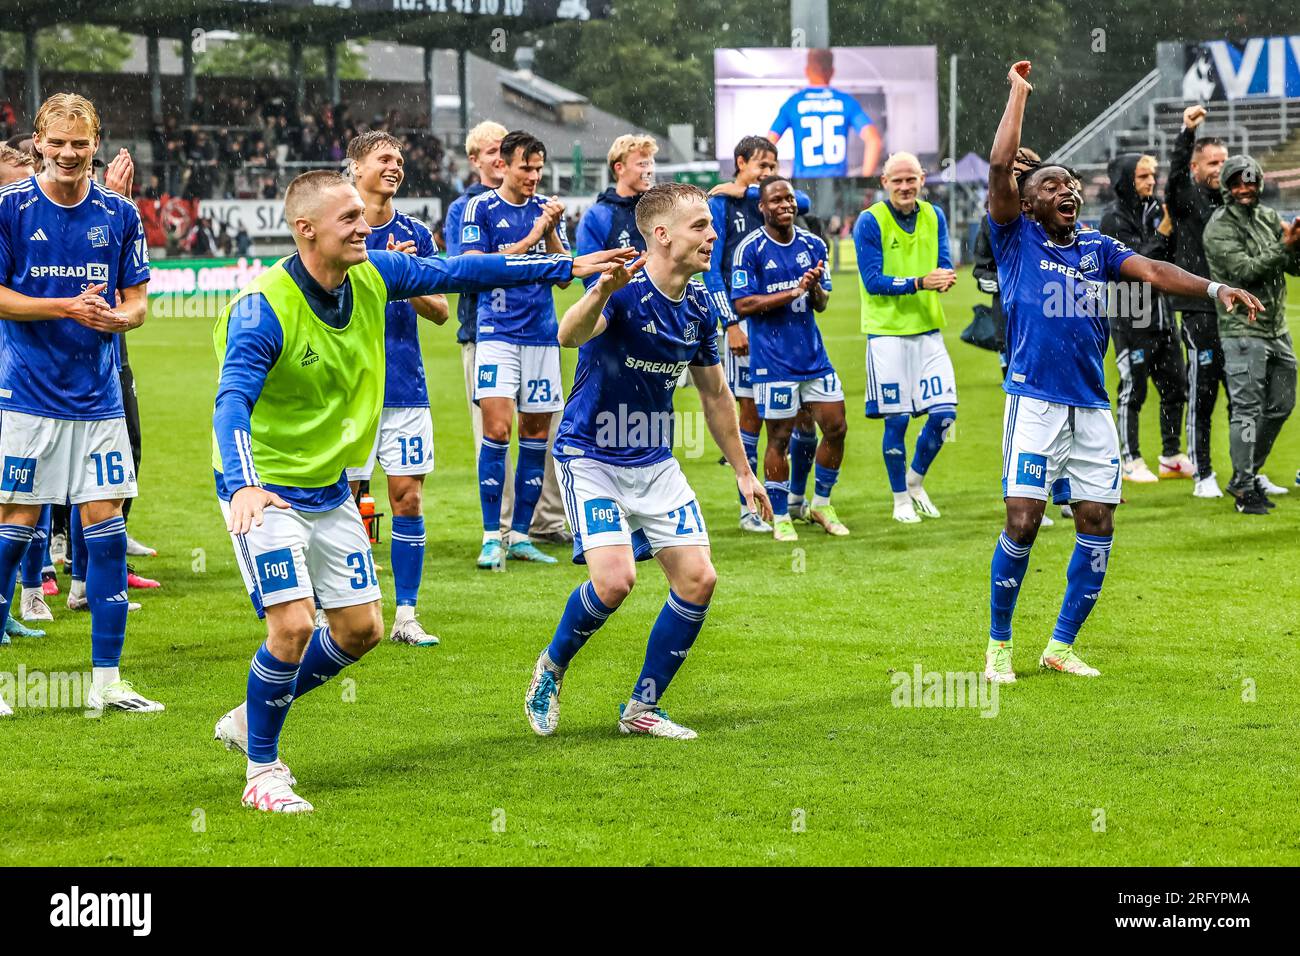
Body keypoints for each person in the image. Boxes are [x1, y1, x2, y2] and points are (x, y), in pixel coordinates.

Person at [210, 169, 632, 812]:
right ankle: (262, 772)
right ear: (305, 230)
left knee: (359, 630)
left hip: (326, 484)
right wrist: (243, 485)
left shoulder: (374, 274)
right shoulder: (262, 308)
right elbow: (231, 399)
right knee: (292, 625)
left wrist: (564, 267)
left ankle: (250, 716)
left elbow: (462, 271)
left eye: (363, 215)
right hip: (263, 487)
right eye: (349, 218)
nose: (364, 226)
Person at [983, 61, 1259, 683]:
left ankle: (1059, 645)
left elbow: (1157, 274)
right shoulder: (1014, 239)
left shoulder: (1097, 249)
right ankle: (998, 643)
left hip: (1091, 407)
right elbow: (1001, 166)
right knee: (1023, 521)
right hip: (1034, 402)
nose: (1067, 192)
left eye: (1072, 185)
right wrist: (1018, 94)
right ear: (1026, 204)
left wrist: (1216, 288)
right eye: (1052, 186)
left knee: (1097, 521)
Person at [524, 182, 771, 740]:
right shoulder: (624, 289)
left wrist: (742, 471)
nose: (713, 235)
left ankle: (642, 708)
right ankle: (551, 669)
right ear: (662, 235)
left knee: (699, 580)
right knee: (614, 583)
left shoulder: (702, 306)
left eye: (711, 226)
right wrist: (598, 293)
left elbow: (714, 396)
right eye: (701, 226)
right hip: (590, 455)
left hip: (654, 458)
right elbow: (569, 334)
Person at [0, 93, 159, 712]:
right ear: (38, 142)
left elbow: (139, 301)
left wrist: (120, 320)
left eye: (81, 143)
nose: (69, 154)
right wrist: (66, 307)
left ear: (96, 143)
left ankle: (107, 682)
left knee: (107, 529)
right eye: (57, 143)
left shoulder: (119, 216)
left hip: (98, 400)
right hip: (29, 400)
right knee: (14, 526)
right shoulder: (10, 209)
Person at [342, 131, 449, 647]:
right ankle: (335, 607)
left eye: (400, 160)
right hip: (348, 389)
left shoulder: (417, 234)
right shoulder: (337, 226)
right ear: (356, 166)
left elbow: (441, 310)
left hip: (405, 385)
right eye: (384, 158)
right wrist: (370, 266)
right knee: (345, 501)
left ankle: (406, 615)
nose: (395, 166)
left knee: (407, 498)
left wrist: (405, 276)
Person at [460, 131, 572, 568]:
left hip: (542, 336)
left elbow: (562, 275)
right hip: (497, 334)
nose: (534, 176)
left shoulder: (545, 211)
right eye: (526, 167)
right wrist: (535, 234)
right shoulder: (481, 207)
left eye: (539, 168)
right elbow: (475, 268)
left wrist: (552, 232)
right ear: (503, 165)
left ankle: (522, 536)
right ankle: (493, 536)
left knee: (535, 437)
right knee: (498, 431)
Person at [704, 136, 813, 532]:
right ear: (739, 161)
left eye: (773, 168)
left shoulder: (765, 198)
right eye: (760, 167)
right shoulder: (721, 204)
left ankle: (795, 498)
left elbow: (807, 203)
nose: (768, 175)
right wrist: (729, 322)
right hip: (745, 323)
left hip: (788, 325)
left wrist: (749, 187)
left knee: (803, 415)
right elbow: (711, 269)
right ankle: (750, 506)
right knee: (749, 416)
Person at [730, 176, 847, 541]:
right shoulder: (749, 249)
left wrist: (812, 290)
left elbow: (823, 303)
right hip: (773, 362)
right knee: (778, 438)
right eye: (776, 200)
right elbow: (743, 303)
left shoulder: (813, 243)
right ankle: (780, 514)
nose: (785, 205)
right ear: (762, 207)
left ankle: (821, 503)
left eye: (790, 200)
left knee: (837, 427)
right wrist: (791, 291)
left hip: (813, 357)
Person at [855, 151, 957, 524]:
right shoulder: (870, 221)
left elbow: (943, 261)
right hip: (887, 334)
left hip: (928, 329)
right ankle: (899, 499)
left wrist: (944, 277)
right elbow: (873, 281)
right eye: (896, 180)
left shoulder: (934, 215)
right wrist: (919, 282)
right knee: (896, 421)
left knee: (945, 416)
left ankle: (915, 480)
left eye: (910, 179)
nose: (904, 187)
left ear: (922, 179)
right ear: (884, 183)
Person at [1202, 154, 1300, 515]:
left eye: (1251, 181)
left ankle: (1249, 472)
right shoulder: (1218, 227)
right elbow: (1244, 272)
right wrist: (1284, 246)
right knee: (1246, 409)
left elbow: (1294, 268)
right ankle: (1244, 487)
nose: (1245, 189)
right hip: (1242, 328)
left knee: (1282, 405)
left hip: (1277, 329)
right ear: (1227, 186)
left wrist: (1297, 243)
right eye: (1237, 182)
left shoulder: (1269, 218)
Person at [1099, 153, 1192, 483]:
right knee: (1133, 391)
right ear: (1125, 180)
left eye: (1152, 175)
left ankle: (1171, 455)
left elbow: (1172, 257)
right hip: (1129, 317)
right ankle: (1129, 459)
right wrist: (1165, 233)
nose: (1151, 181)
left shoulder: (1155, 210)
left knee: (1177, 387)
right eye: (1142, 176)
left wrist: (1169, 233)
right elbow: (1137, 267)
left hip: (1163, 316)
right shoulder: (1112, 219)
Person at [1166, 106, 1231, 498]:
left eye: (1224, 161)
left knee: (1243, 394)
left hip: (1235, 313)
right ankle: (1203, 473)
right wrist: (1187, 132)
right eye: (1212, 162)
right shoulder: (1187, 201)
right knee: (1203, 394)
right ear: (1194, 167)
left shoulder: (1233, 200)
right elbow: (1173, 178)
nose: (1220, 168)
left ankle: (1247, 471)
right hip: (1199, 311)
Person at [768, 48, 883, 178]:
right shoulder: (846, 102)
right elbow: (874, 140)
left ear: (806, 71)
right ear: (832, 72)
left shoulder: (793, 103)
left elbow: (767, 144)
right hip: (836, 186)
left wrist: (768, 181)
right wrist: (865, 181)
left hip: (802, 186)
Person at [575, 133, 657, 265]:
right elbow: (590, 273)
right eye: (642, 164)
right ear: (620, 168)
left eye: (651, 163)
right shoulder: (596, 216)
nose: (649, 170)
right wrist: (641, 273)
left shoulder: (660, 209)